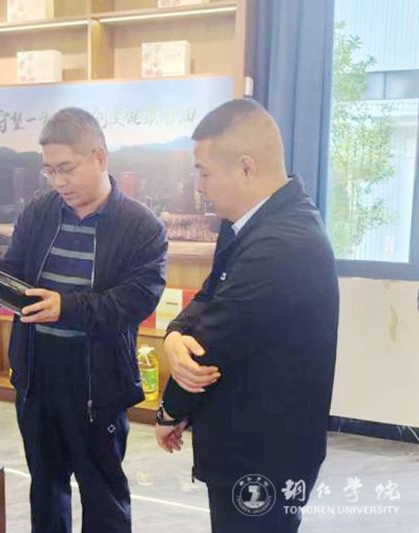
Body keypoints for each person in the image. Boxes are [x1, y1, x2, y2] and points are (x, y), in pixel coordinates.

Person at [0, 107, 167, 532]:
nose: (57, 181)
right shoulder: (40, 212)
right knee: (46, 486)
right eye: (49, 171)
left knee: (102, 492)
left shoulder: (141, 226)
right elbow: (14, 269)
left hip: (97, 381)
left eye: (66, 169)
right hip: (38, 374)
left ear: (99, 157)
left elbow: (136, 302)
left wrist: (66, 307)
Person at [154, 98, 339, 532]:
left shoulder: (282, 244)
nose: (199, 187)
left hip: (264, 455)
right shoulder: (253, 222)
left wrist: (168, 413)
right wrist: (175, 335)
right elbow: (209, 295)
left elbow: (213, 344)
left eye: (204, 173)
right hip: (245, 440)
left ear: (245, 167)